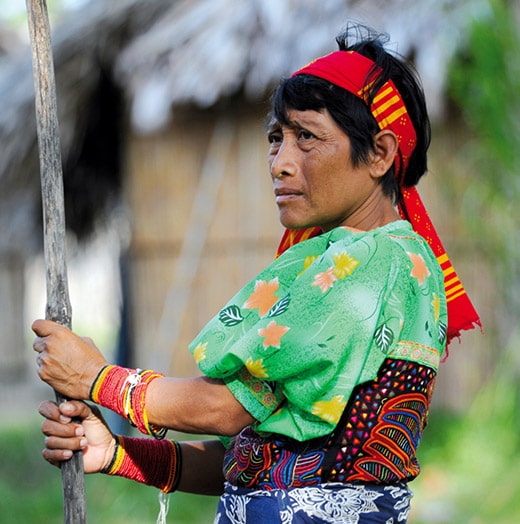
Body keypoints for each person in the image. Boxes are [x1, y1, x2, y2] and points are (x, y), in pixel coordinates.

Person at [33, 25, 480, 523]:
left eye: (306, 137)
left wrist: (99, 379)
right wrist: (117, 452)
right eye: (276, 138)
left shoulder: (374, 262)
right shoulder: (371, 261)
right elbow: (260, 460)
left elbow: (229, 408)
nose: (280, 163)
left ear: (379, 153)